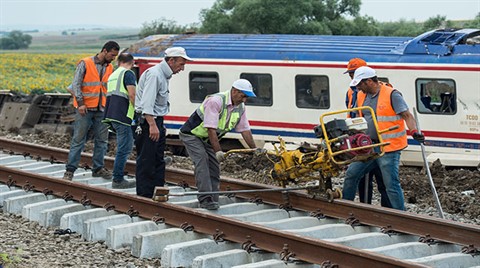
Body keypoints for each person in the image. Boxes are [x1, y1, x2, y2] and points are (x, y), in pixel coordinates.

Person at [342, 66, 425, 211]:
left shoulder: (392, 94)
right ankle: (344, 208)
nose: (358, 88)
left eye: (360, 84)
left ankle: (401, 216)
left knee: (390, 185)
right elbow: (360, 118)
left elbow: (407, 115)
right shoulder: (362, 95)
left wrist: (414, 131)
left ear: (369, 81)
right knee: (351, 174)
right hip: (368, 147)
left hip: (389, 147)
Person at [179, 79, 261, 210]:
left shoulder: (240, 108)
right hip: (192, 135)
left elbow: (245, 130)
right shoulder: (216, 101)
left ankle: (213, 198)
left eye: (247, 97)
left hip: (207, 139)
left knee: (214, 168)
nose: (244, 100)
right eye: (243, 96)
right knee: (202, 161)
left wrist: (255, 149)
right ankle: (205, 199)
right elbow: (211, 129)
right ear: (234, 91)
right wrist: (218, 151)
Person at [134, 47, 192, 198]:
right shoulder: (155, 75)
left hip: (155, 120)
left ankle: (157, 191)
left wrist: (159, 123)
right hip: (148, 121)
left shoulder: (163, 75)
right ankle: (145, 195)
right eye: (181, 64)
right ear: (171, 60)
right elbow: (147, 103)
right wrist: (152, 125)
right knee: (147, 159)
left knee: (158, 158)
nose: (182, 68)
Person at [63, 41, 120, 181]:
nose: (113, 58)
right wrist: (81, 103)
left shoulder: (109, 67)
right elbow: (76, 84)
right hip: (85, 109)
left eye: (115, 56)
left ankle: (98, 169)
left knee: (102, 141)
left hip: (102, 108)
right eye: (112, 55)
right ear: (105, 51)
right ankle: (70, 171)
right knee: (78, 140)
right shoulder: (85, 63)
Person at [343, 58, 391, 207]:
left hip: (382, 142)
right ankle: (364, 207)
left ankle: (388, 211)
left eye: (354, 74)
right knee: (361, 179)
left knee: (384, 180)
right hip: (361, 141)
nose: (352, 77)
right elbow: (351, 113)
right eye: (350, 74)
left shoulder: (385, 90)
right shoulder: (351, 92)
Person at [102, 53, 137, 189]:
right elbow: (132, 95)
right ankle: (117, 180)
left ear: (118, 62)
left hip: (112, 115)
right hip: (123, 116)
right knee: (124, 148)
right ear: (132, 62)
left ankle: (118, 178)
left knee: (124, 146)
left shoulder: (113, 74)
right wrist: (139, 112)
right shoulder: (128, 74)